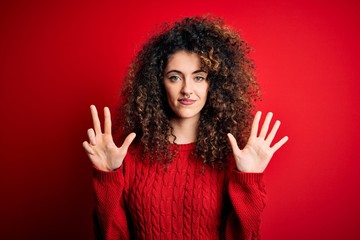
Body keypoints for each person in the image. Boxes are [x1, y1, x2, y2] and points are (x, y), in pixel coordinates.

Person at [82, 15, 288, 240]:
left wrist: (248, 179)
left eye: (199, 78)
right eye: (174, 77)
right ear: (158, 83)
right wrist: (107, 177)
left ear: (214, 85)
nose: (187, 89)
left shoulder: (233, 159)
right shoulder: (128, 155)